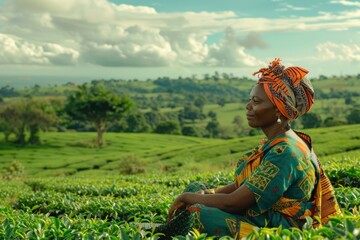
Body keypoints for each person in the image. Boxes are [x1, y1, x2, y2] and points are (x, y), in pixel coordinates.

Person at [154, 58, 341, 239]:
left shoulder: (285, 152)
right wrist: (207, 193)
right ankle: (169, 230)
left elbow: (233, 203)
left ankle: (163, 232)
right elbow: (244, 187)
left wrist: (187, 198)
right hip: (263, 212)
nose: (248, 106)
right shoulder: (279, 142)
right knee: (198, 189)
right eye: (250, 100)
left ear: (279, 110)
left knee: (199, 212)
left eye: (256, 102)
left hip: (282, 227)